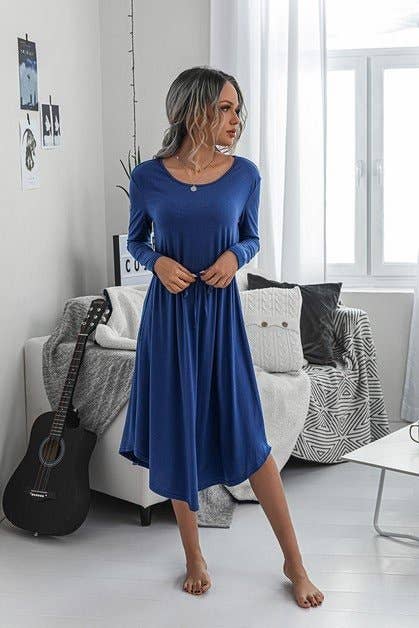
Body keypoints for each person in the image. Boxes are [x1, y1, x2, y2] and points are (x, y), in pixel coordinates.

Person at [119, 66, 324, 608]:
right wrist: (157, 262)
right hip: (169, 320)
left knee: (251, 438)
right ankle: (194, 555)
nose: (237, 120)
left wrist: (235, 256)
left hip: (220, 317)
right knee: (179, 431)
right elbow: (137, 240)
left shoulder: (244, 175)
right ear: (194, 109)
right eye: (226, 109)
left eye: (238, 110)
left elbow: (252, 236)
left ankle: (294, 563)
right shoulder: (148, 176)